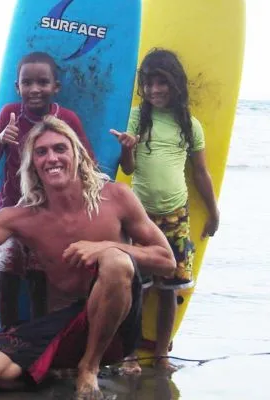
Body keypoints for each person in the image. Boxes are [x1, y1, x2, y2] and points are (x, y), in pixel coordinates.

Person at [0, 116, 176, 399]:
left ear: (76, 155)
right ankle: (54, 376)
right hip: (63, 324)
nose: (51, 157)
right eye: (41, 152)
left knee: (115, 260)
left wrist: (104, 247)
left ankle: (88, 369)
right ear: (33, 165)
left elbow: (166, 260)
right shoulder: (20, 216)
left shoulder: (116, 197)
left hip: (116, 327)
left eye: (60, 149)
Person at [111, 48, 219, 373]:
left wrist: (213, 212)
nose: (155, 90)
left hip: (176, 216)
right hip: (140, 217)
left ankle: (161, 353)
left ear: (175, 84)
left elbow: (200, 172)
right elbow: (128, 170)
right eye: (149, 83)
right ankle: (129, 353)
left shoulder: (190, 125)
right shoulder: (136, 117)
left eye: (162, 83)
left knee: (169, 289)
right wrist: (127, 150)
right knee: (137, 286)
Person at [0, 51, 95, 328]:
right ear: (17, 86)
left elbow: (87, 163)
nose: (34, 89)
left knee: (40, 279)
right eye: (27, 82)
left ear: (55, 87)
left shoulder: (66, 118)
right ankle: (7, 337)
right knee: (6, 272)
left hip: (49, 212)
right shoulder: (10, 113)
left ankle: (39, 341)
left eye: (42, 82)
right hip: (11, 210)